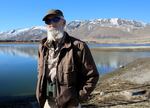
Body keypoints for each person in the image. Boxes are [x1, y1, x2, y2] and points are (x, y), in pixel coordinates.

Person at [36, 9, 99, 108]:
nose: (51, 23)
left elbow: (92, 76)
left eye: (55, 19)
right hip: (48, 102)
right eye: (48, 21)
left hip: (70, 103)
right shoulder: (42, 47)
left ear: (64, 22)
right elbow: (40, 72)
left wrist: (78, 98)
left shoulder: (79, 47)